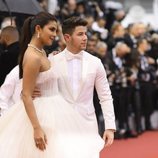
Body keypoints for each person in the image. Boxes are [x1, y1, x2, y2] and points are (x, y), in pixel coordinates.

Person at [0, 13, 106, 158]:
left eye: (56, 30)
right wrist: (37, 128)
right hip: (42, 115)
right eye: (51, 30)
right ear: (38, 29)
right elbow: (26, 94)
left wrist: (52, 60)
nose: (55, 35)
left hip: (56, 110)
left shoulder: (41, 52)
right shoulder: (32, 56)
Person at [52, 16, 116, 151]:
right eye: (80, 34)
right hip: (61, 127)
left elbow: (105, 96)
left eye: (85, 33)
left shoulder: (95, 62)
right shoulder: (53, 62)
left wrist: (109, 127)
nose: (85, 38)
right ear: (67, 37)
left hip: (88, 126)